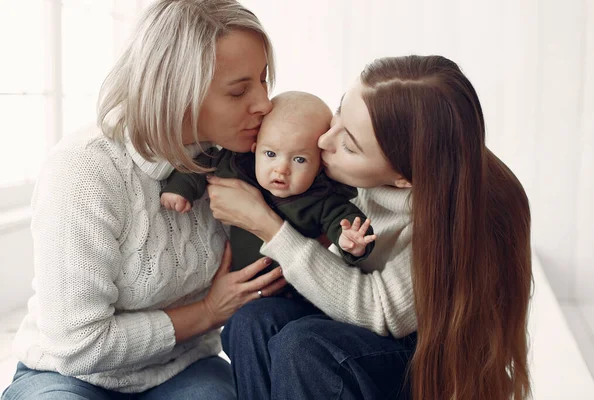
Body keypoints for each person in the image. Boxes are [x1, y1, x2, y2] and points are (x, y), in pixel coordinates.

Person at [1, 1, 287, 399]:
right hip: (68, 374)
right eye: (239, 90)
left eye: (263, 80)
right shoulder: (85, 169)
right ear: (176, 93)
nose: (264, 103)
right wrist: (207, 312)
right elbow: (79, 343)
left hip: (183, 367)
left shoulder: (240, 159)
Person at [208, 55, 532, 400]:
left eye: (349, 144)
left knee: (302, 346)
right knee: (252, 322)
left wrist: (267, 226)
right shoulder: (353, 167)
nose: (324, 141)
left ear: (404, 177)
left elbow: (381, 311)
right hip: (359, 331)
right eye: (339, 113)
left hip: (421, 363)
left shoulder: (459, 216)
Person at [160, 91, 377, 276]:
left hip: (294, 294)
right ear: (255, 150)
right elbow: (204, 162)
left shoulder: (322, 197)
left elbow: (345, 220)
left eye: (299, 159)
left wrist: (352, 243)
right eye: (270, 153)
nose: (281, 169)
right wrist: (181, 189)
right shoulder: (239, 166)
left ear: (320, 165)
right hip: (240, 284)